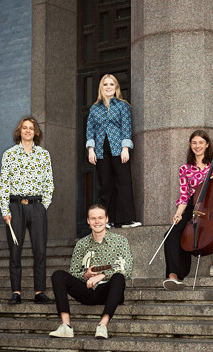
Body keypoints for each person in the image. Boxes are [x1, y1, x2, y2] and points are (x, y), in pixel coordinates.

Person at [162, 129, 213, 290]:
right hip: (193, 206)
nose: (197, 146)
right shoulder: (185, 168)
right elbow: (184, 195)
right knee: (172, 234)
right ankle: (174, 275)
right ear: (190, 145)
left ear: (207, 144)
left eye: (200, 143)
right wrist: (178, 214)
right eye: (194, 143)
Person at [49, 203, 133, 339]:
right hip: (87, 290)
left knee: (119, 277)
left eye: (100, 218)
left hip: (109, 291)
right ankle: (66, 326)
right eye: (93, 218)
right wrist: (86, 275)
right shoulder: (81, 244)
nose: (97, 221)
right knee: (58, 275)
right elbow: (74, 272)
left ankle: (102, 326)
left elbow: (127, 269)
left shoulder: (120, 241)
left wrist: (102, 275)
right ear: (88, 221)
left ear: (107, 219)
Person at [0, 116, 54, 305]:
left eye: (31, 128)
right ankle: (16, 292)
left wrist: (43, 206)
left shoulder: (43, 154)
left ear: (36, 132)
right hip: (15, 207)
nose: (28, 131)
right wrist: (5, 209)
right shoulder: (9, 154)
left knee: (40, 250)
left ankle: (39, 292)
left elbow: (49, 183)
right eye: (24, 128)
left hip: (37, 206)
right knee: (15, 251)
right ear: (19, 131)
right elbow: (4, 184)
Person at [86, 74, 140, 228]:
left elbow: (126, 128)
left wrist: (125, 149)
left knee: (123, 182)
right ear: (101, 88)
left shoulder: (123, 106)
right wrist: (91, 150)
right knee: (106, 184)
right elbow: (90, 130)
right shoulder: (94, 109)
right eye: (105, 84)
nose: (108, 87)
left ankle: (126, 219)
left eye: (111, 84)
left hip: (118, 148)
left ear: (116, 87)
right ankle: (107, 220)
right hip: (101, 149)